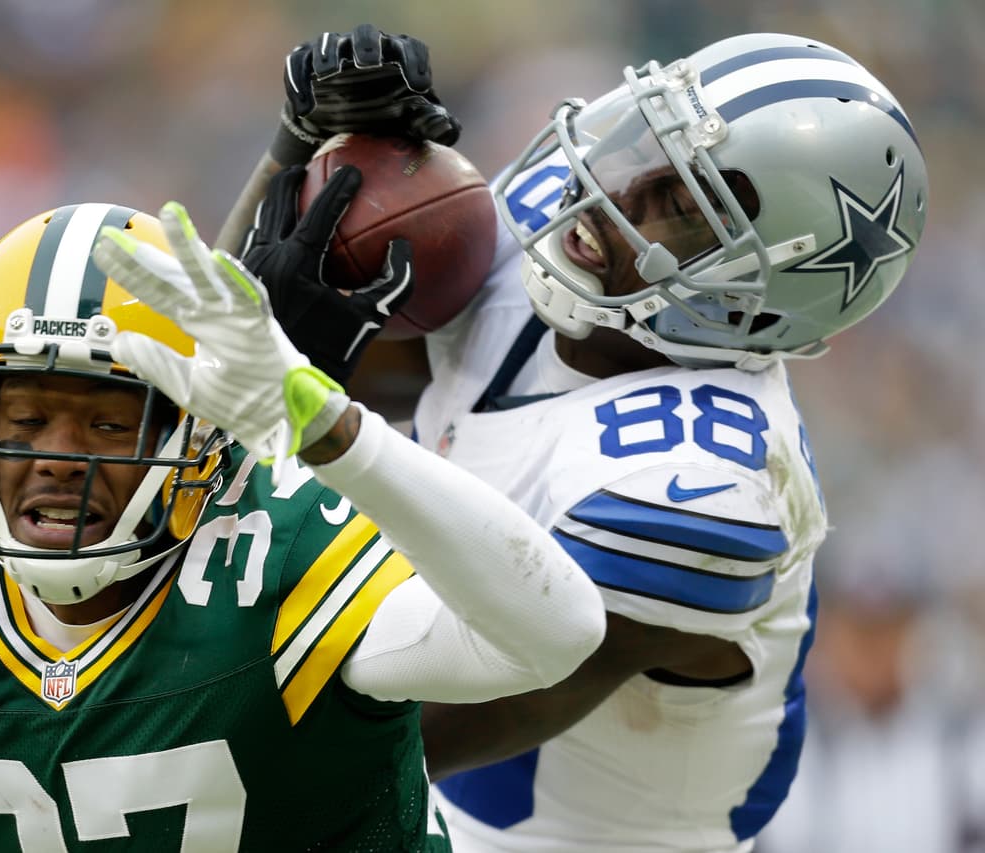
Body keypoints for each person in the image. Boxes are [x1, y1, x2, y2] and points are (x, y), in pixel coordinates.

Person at [0, 200, 608, 851]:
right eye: (25, 419)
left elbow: (556, 634)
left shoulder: (281, 559)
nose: (57, 458)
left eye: (108, 422)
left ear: (199, 434)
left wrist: (332, 431)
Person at [232, 26, 930, 852]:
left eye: (684, 203)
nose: (616, 190)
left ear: (756, 293)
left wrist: (273, 380)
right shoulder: (571, 249)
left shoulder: (701, 480)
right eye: (648, 139)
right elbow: (246, 356)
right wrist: (305, 157)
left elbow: (388, 745)